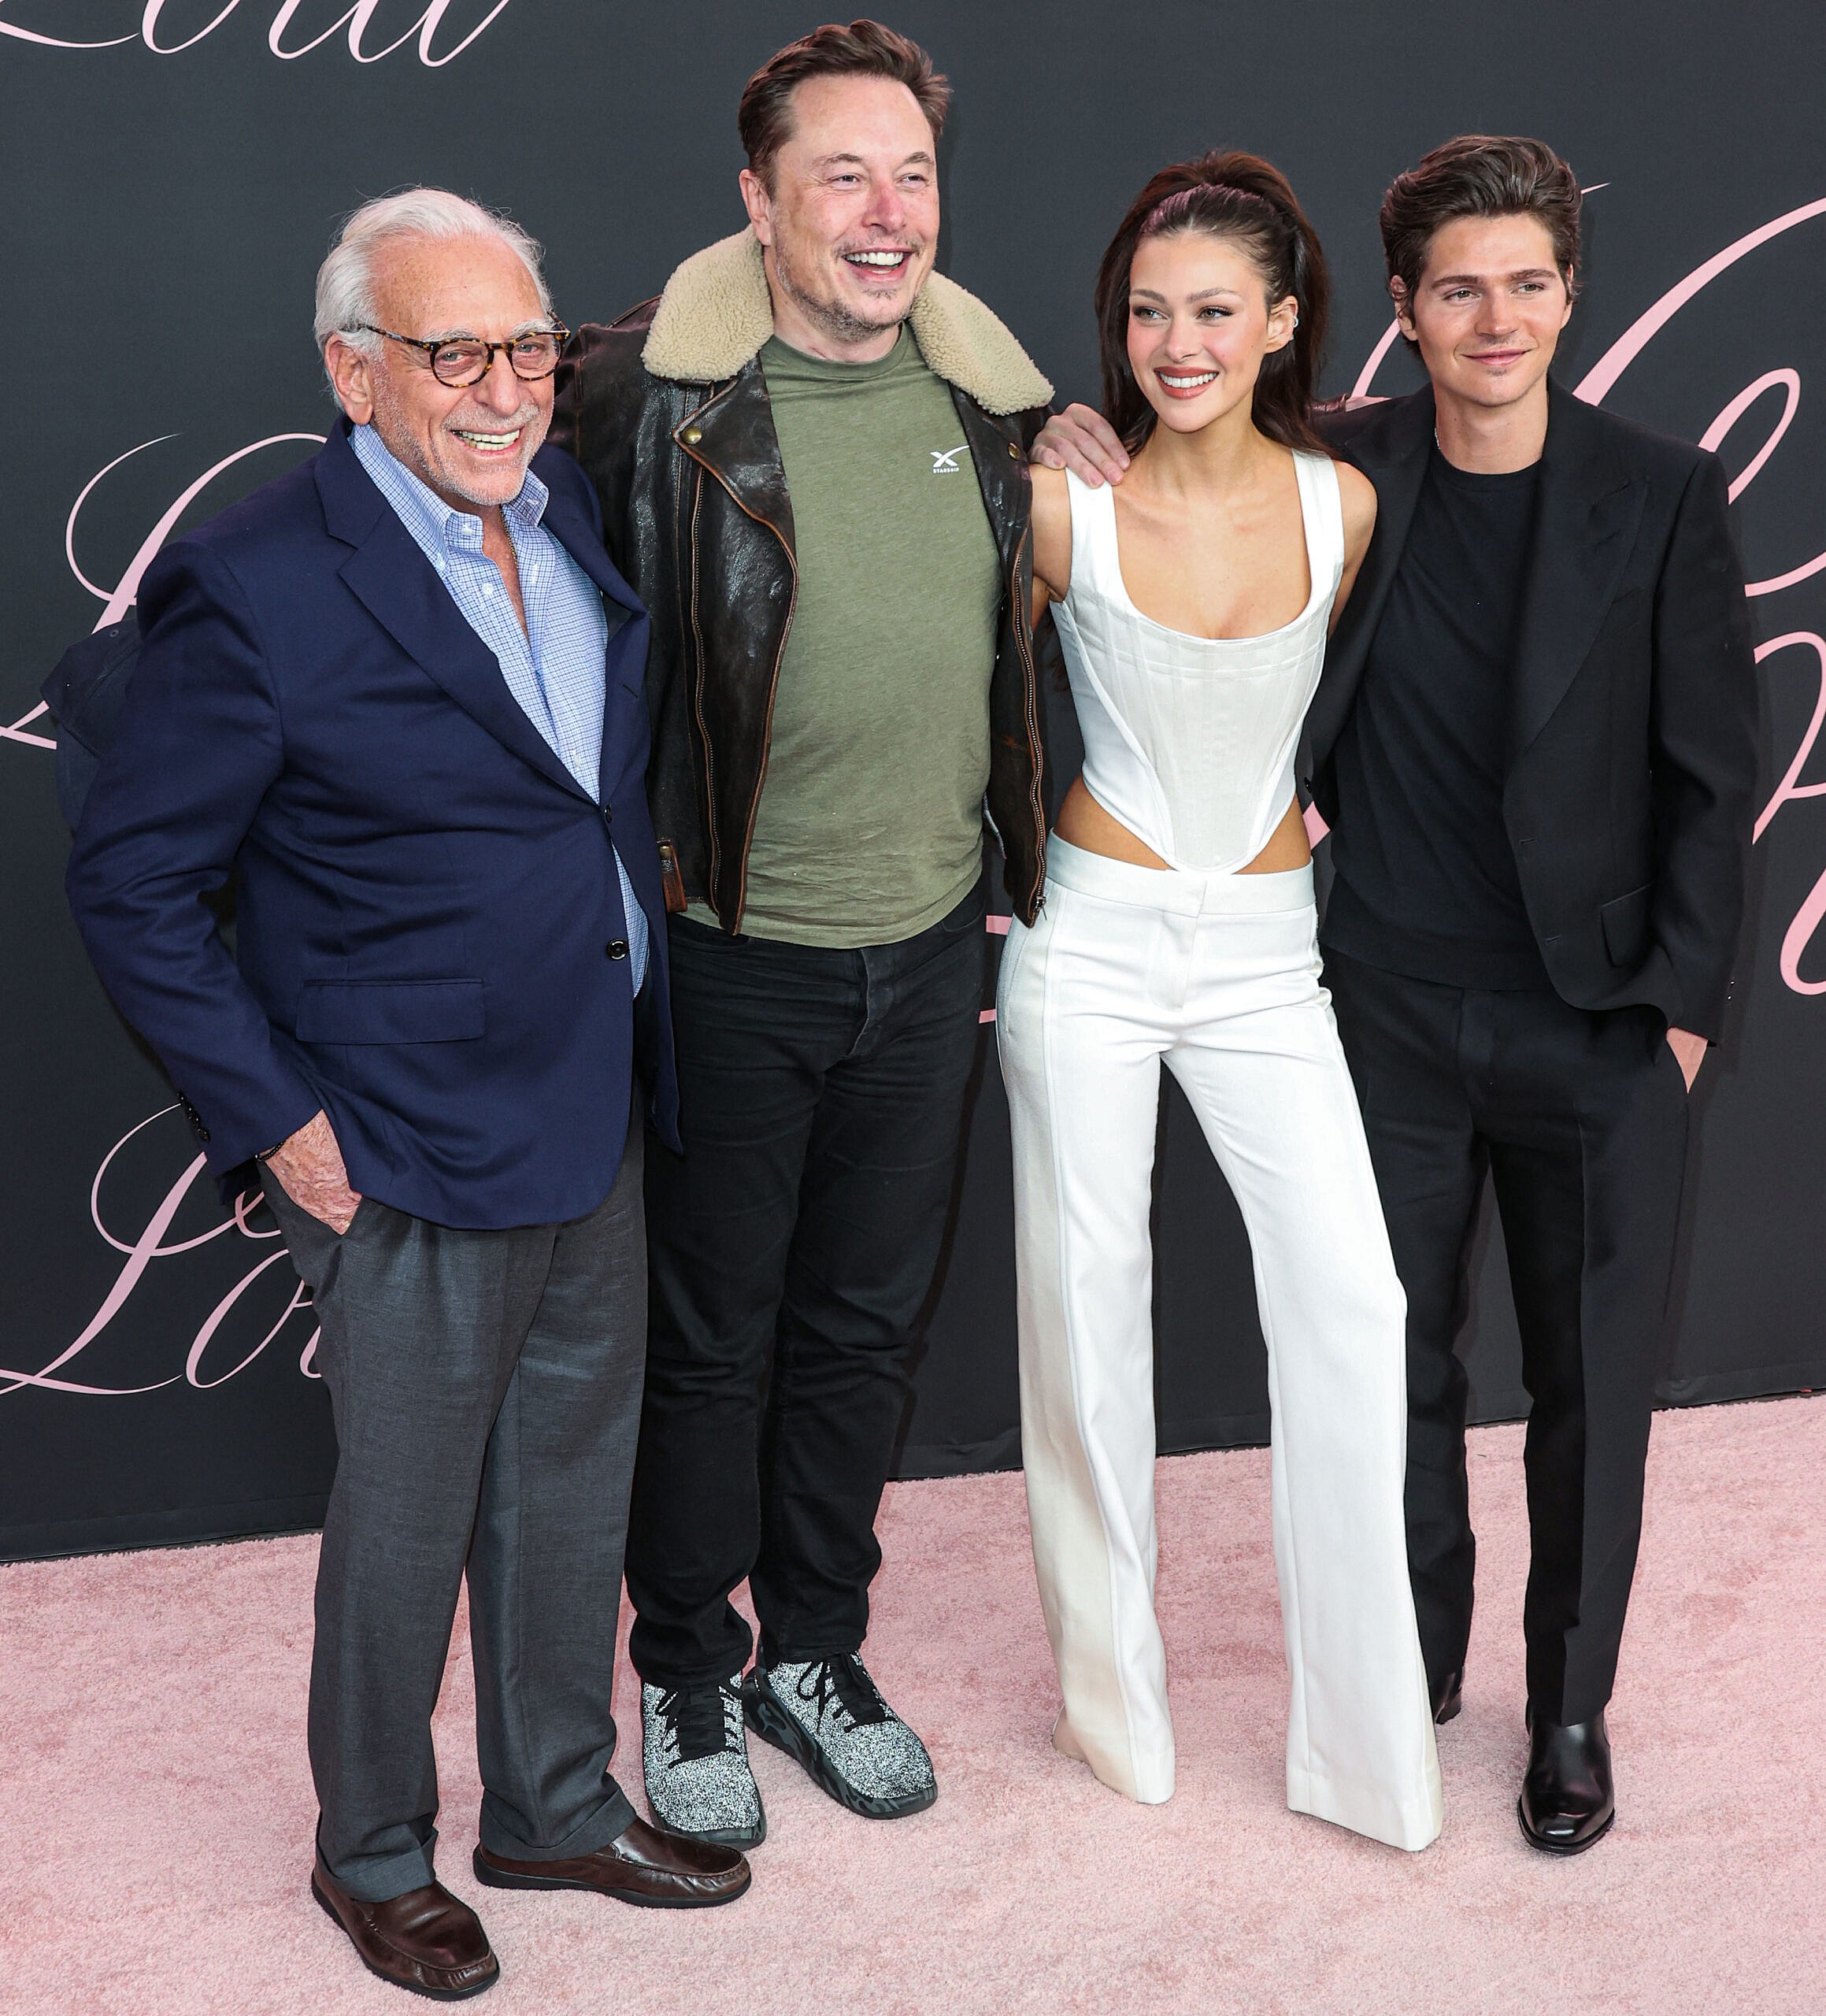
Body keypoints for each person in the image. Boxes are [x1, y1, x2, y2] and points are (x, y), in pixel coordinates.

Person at [1035, 135, 1758, 1855]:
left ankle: (1565, 1702)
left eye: (1522, 281)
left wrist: (1671, 1015)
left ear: (1566, 295)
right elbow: (1171, 467)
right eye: (1455, 288)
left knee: (1592, 1378)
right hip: (1377, 1005)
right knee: (1392, 1359)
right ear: (1402, 319)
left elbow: (1708, 781)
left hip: (1593, 1024)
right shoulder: (1337, 475)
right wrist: (1062, 428)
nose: (1490, 316)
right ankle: (1410, 1666)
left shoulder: (1656, 493)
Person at [65, 191, 750, 2003]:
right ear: (352, 372)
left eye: (528, 347)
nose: (506, 388)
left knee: (565, 1487)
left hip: (588, 1093)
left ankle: (549, 1800)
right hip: (395, 1138)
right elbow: (133, 879)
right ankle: (371, 1849)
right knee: (404, 1523)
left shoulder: (564, 506)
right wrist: (276, 1123)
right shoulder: (262, 572)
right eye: (454, 352)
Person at [548, 19, 1054, 1847]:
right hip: (729, 952)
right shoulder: (640, 401)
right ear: (756, 200)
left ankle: (811, 1652)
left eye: (911, 172)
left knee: (860, 1330)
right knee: (710, 1338)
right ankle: (683, 1659)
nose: (885, 209)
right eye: (840, 172)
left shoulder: (992, 404)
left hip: (930, 948)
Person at [1001, 152, 1443, 1852]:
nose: (1173, 341)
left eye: (1208, 309)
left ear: (1278, 323)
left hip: (1269, 951)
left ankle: (1363, 1742)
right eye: (1143, 312)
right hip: (1092, 937)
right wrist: (1042, 423)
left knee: (1351, 1303)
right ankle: (1115, 1705)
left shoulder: (1346, 506)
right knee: (1084, 1311)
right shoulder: (1060, 502)